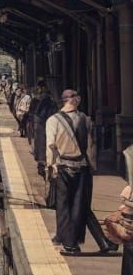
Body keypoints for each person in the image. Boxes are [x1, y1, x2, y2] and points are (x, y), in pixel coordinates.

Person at [47, 89, 94, 255]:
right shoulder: (85, 119)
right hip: (82, 167)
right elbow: (90, 146)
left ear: (63, 100)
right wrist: (91, 166)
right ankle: (72, 242)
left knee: (63, 206)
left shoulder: (53, 120)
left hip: (63, 167)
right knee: (78, 206)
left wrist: (51, 166)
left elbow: (51, 145)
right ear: (75, 100)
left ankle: (68, 244)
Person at [29, 84, 56, 176]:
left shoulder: (39, 104)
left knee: (41, 148)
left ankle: (42, 165)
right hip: (45, 131)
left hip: (40, 131)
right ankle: (44, 166)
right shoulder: (50, 104)